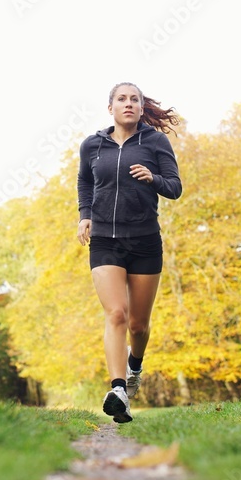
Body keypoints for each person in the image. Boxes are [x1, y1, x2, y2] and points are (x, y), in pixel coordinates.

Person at [77, 82, 182, 423]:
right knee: (116, 314)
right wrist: (85, 216)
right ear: (110, 108)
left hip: (145, 240)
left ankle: (134, 366)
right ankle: (119, 388)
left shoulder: (154, 142)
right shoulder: (92, 145)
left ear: (140, 108)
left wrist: (153, 178)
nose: (128, 104)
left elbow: (175, 187)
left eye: (134, 99)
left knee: (138, 325)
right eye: (121, 99)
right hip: (105, 240)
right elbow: (85, 183)